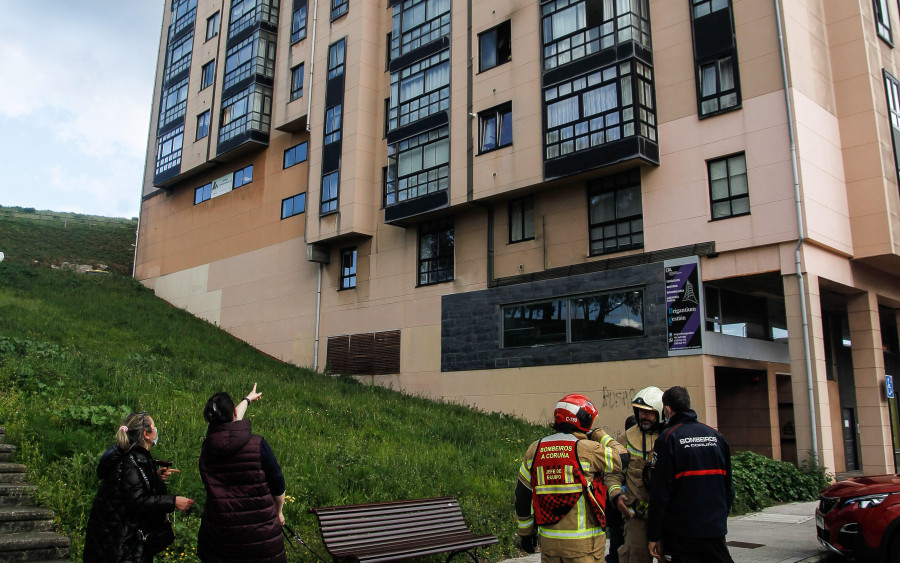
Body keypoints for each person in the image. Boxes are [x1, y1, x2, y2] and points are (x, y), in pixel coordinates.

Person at [515, 393, 627, 563]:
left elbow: (522, 496)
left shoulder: (534, 449)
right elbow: (623, 458)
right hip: (584, 549)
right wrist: (599, 435)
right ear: (583, 420)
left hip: (549, 546)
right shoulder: (587, 449)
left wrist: (525, 533)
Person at [84, 412, 194, 562]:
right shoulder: (131, 461)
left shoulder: (133, 458)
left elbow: (130, 487)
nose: (156, 431)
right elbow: (138, 501)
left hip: (114, 538)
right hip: (121, 544)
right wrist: (173, 501)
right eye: (154, 427)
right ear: (146, 434)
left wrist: (154, 477)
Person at [197, 384, 287, 563]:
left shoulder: (208, 449)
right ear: (235, 414)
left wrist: (247, 400)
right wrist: (279, 511)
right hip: (261, 538)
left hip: (220, 537)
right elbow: (278, 483)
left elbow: (227, 427)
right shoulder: (258, 444)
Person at [647, 386, 734, 563]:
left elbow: (660, 494)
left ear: (668, 409)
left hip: (681, 534)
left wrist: (654, 534)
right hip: (713, 530)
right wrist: (718, 518)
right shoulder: (716, 436)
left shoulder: (668, 439)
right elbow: (728, 487)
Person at [608, 387, 664, 563]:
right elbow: (612, 473)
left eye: (648, 412)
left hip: (666, 518)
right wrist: (616, 495)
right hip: (636, 519)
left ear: (660, 413)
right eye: (640, 411)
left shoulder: (670, 437)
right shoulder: (626, 439)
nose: (643, 416)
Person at [605, 414, 636, 563]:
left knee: (616, 548)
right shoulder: (625, 448)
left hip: (616, 512)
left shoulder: (618, 448)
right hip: (621, 512)